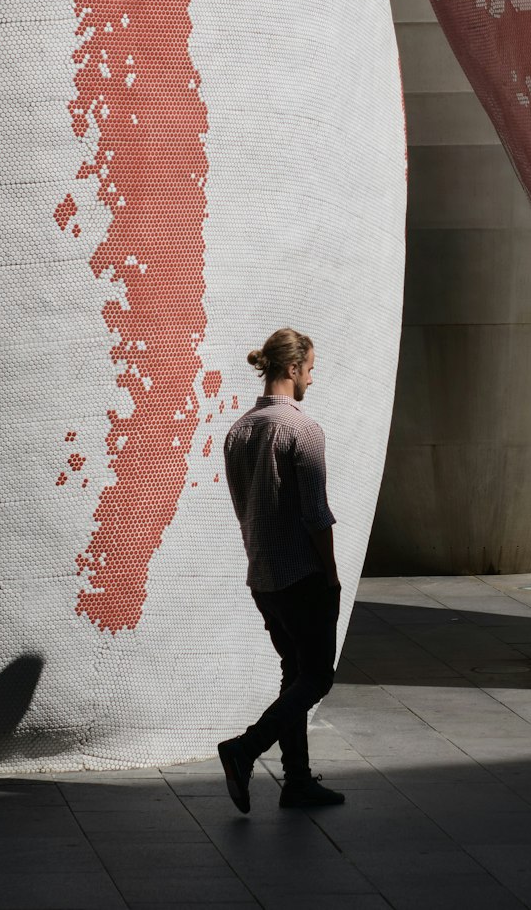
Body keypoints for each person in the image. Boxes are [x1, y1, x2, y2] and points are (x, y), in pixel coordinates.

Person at [217, 327, 345, 813]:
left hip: (264, 577)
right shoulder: (302, 430)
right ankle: (244, 750)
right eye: (310, 368)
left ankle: (296, 781)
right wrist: (330, 573)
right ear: (292, 370)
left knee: (294, 675)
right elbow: (316, 513)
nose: (313, 377)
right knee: (316, 678)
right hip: (302, 575)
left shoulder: (239, 430)